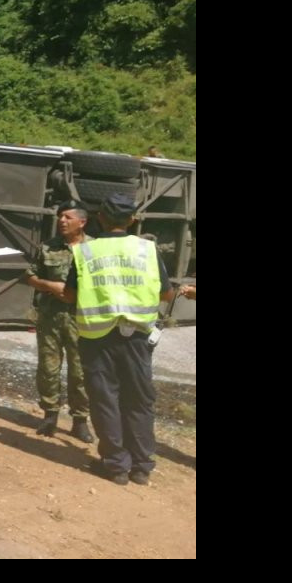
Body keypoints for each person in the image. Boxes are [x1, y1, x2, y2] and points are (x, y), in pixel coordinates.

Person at [63, 193, 175, 486]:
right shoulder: (147, 250)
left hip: (96, 337)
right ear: (132, 220)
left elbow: (70, 295)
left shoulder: (86, 251)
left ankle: (116, 467)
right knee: (138, 400)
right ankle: (141, 467)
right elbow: (166, 293)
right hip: (137, 337)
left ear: (100, 217)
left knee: (104, 400)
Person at [23, 200, 94, 442]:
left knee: (81, 371)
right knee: (48, 368)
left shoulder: (95, 248)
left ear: (81, 222)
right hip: (51, 317)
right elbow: (30, 276)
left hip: (81, 319)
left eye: (67, 217)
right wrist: (49, 285)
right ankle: (50, 416)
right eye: (60, 216)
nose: (61, 221)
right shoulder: (49, 248)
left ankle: (80, 421)